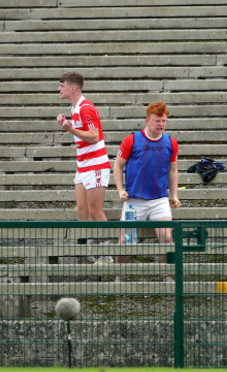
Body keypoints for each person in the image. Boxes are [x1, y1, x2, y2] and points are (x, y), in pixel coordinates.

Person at [113, 101, 181, 279]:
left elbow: (173, 170)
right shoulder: (131, 140)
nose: (161, 124)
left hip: (159, 199)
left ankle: (168, 276)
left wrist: (174, 195)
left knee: (167, 238)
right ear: (147, 120)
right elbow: (118, 166)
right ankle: (119, 276)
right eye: (157, 120)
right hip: (134, 200)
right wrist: (120, 190)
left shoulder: (171, 143)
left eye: (164, 121)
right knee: (125, 241)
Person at [56, 72, 111, 222]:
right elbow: (84, 130)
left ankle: (106, 243)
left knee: (94, 211)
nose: (59, 89)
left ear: (73, 88)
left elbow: (94, 136)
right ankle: (91, 241)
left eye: (62, 86)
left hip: (95, 164)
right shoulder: (75, 108)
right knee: (81, 210)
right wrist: (69, 124)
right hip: (83, 164)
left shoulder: (85, 107)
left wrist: (70, 129)